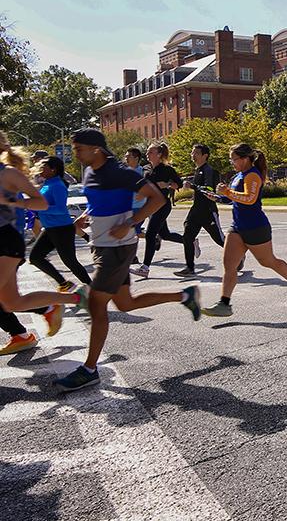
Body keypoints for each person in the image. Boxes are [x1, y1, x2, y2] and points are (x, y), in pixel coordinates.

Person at [55, 129, 201, 392]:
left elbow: (156, 199)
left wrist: (132, 223)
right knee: (125, 303)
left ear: (95, 149)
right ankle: (185, 295)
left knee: (97, 304)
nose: (74, 153)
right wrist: (86, 216)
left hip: (118, 247)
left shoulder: (119, 172)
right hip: (101, 244)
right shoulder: (90, 171)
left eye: (78, 149)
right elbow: (100, 201)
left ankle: (89, 369)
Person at [0, 134, 83, 356]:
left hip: (7, 240)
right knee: (11, 303)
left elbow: (41, 203)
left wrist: (10, 201)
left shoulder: (9, 174)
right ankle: (76, 298)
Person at [203, 143, 287, 317]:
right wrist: (219, 197)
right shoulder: (238, 176)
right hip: (237, 227)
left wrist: (227, 192)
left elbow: (250, 199)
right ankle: (224, 303)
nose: (232, 162)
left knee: (268, 262)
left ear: (245, 159)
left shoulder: (253, 175)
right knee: (229, 265)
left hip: (255, 227)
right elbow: (235, 199)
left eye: (234, 159)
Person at [27, 156, 91, 290]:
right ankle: (64, 284)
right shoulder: (47, 183)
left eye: (43, 166)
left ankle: (94, 289)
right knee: (35, 258)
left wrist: (43, 208)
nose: (40, 169)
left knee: (70, 262)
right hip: (50, 229)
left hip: (62, 229)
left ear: (53, 169)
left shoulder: (57, 185)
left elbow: (61, 209)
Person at [132, 143, 185, 278]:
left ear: (159, 154)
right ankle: (190, 241)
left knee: (150, 235)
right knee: (165, 234)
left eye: (150, 152)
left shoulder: (167, 169)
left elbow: (179, 184)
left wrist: (167, 184)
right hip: (150, 206)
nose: (147, 154)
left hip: (162, 205)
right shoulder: (146, 169)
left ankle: (145, 268)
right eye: (148, 152)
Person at [175, 143, 225, 277]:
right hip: (196, 210)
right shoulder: (198, 170)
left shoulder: (208, 170)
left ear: (205, 155)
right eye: (192, 153)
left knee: (219, 240)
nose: (193, 155)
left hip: (208, 211)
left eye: (196, 153)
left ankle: (239, 256)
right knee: (187, 236)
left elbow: (209, 190)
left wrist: (193, 186)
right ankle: (190, 268)